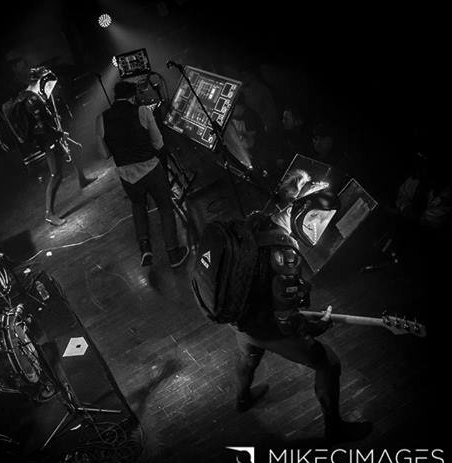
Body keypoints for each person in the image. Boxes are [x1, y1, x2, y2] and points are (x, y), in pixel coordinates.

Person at [191, 170, 373, 443]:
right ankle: (335, 429)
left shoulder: (257, 220)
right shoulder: (284, 253)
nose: (318, 224)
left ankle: (242, 399)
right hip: (265, 327)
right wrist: (317, 326)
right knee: (329, 364)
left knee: (248, 355)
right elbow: (287, 322)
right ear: (299, 211)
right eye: (315, 217)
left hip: (238, 317)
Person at [96, 81, 189, 268]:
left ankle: (145, 249)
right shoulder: (143, 111)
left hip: (126, 174)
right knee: (165, 207)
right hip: (150, 168)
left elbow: (105, 154)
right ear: (133, 96)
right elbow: (158, 143)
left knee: (138, 206)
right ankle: (173, 254)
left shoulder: (101, 119)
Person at [20, 66, 96, 226]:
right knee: (56, 175)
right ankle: (49, 213)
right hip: (49, 141)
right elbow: (42, 128)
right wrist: (60, 135)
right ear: (39, 81)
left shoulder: (34, 96)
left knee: (75, 148)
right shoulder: (31, 100)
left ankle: (82, 179)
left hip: (53, 136)